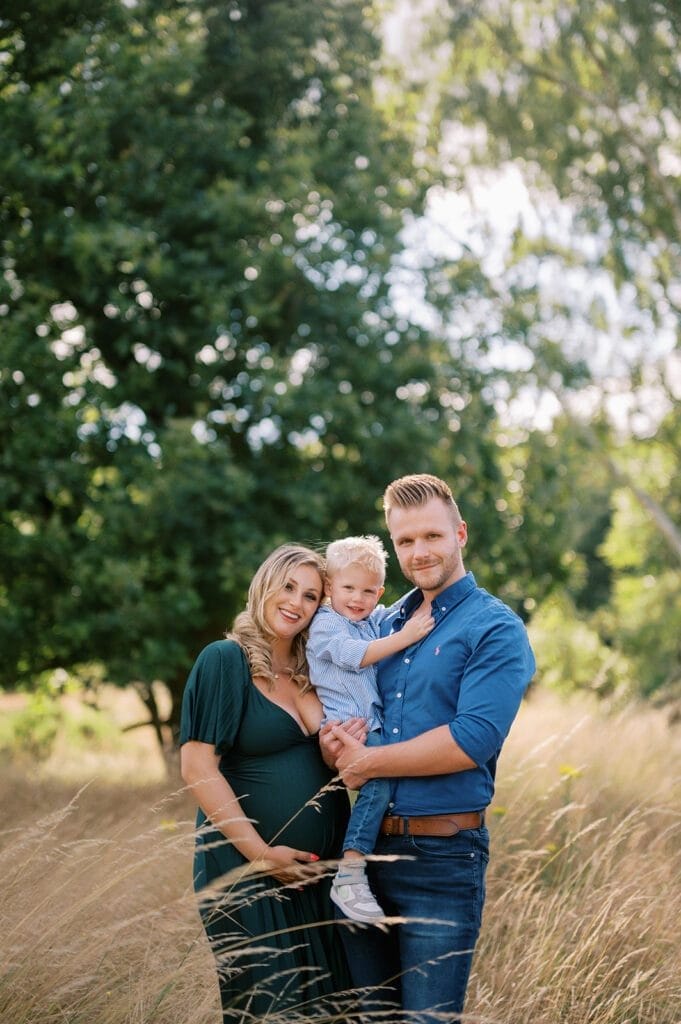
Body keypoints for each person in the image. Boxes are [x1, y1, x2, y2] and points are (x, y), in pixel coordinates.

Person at [325, 473, 536, 1022]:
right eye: (405, 541)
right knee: (371, 1018)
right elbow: (351, 706)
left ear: (460, 534)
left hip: (441, 861)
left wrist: (366, 761)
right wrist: (336, 741)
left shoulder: (495, 628)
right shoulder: (378, 623)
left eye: (432, 537)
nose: (419, 552)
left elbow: (472, 739)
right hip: (361, 856)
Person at [179, 544, 359, 1022]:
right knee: (272, 1010)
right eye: (287, 587)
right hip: (249, 873)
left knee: (330, 1012)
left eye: (310, 595)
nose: (296, 602)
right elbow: (197, 768)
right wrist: (263, 853)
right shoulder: (225, 661)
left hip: (321, 877)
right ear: (264, 585)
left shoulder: (316, 672)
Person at [306, 535, 434, 923]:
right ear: (330, 587)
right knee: (378, 782)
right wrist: (405, 638)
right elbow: (355, 657)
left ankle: (361, 865)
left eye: (368, 591)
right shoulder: (327, 625)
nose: (357, 599)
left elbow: (398, 609)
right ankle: (350, 871)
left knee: (383, 786)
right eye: (348, 588)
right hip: (346, 729)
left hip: (369, 726)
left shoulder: (370, 620)